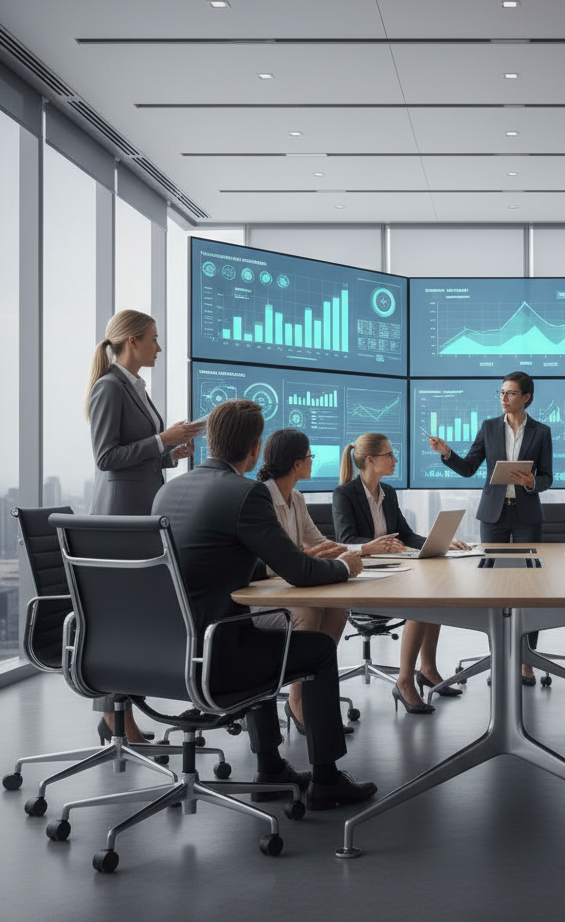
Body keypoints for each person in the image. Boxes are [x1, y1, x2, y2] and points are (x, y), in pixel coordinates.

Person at [152, 399, 377, 810]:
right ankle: (326, 780)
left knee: (252, 632)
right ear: (255, 449)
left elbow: (211, 563)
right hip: (221, 654)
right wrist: (345, 566)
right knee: (320, 651)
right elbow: (301, 574)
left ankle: (271, 769)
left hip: (170, 650)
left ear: (211, 442)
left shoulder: (168, 491)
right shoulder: (246, 493)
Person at [86, 309, 203, 744]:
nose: (159, 347)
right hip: (120, 517)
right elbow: (105, 457)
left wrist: (170, 452)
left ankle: (120, 717)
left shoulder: (135, 387)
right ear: (132, 341)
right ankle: (115, 718)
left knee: (135, 616)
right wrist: (160, 441)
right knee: (121, 618)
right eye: (154, 339)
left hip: (140, 512)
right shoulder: (108, 387)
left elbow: (136, 453)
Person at [428, 371, 553, 683]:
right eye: (501, 392)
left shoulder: (541, 432)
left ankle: (526, 659)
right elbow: (469, 468)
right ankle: (498, 655)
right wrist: (447, 454)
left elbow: (548, 476)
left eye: (511, 393)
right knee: (493, 588)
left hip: (526, 516)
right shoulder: (488, 427)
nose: (504, 398)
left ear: (526, 397)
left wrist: (532, 482)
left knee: (530, 591)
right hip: (493, 516)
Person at [333, 432, 471, 714]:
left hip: (391, 572)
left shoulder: (389, 493)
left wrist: (442, 542)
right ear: (370, 460)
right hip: (363, 579)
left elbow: (406, 535)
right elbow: (345, 540)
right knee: (420, 600)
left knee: (434, 591)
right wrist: (373, 546)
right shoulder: (344, 494)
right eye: (389, 455)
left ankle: (428, 670)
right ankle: (405, 682)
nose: (395, 460)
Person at [254, 428, 351, 734]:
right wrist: (303, 555)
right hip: (264, 594)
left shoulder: (296, 497)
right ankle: (297, 698)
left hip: (291, 585)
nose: (312, 461)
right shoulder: (261, 499)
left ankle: (314, 686)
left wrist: (359, 550)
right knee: (309, 612)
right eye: (310, 456)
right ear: (296, 464)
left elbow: (320, 542)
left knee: (337, 608)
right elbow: (267, 562)